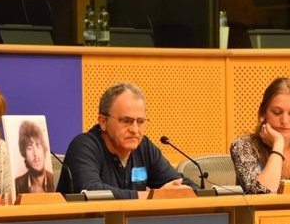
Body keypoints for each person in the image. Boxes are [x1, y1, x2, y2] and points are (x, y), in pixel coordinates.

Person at [56, 82, 198, 199]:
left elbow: (176, 183)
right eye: (126, 121)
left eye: (141, 121)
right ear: (103, 122)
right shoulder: (84, 147)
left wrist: (191, 191)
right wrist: (150, 196)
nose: (135, 130)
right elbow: (91, 191)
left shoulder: (144, 147)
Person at [14, 120, 55, 194]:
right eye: (29, 148)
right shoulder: (18, 184)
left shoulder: (54, 180)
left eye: (38, 145)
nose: (35, 153)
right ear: (24, 155)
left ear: (44, 150)